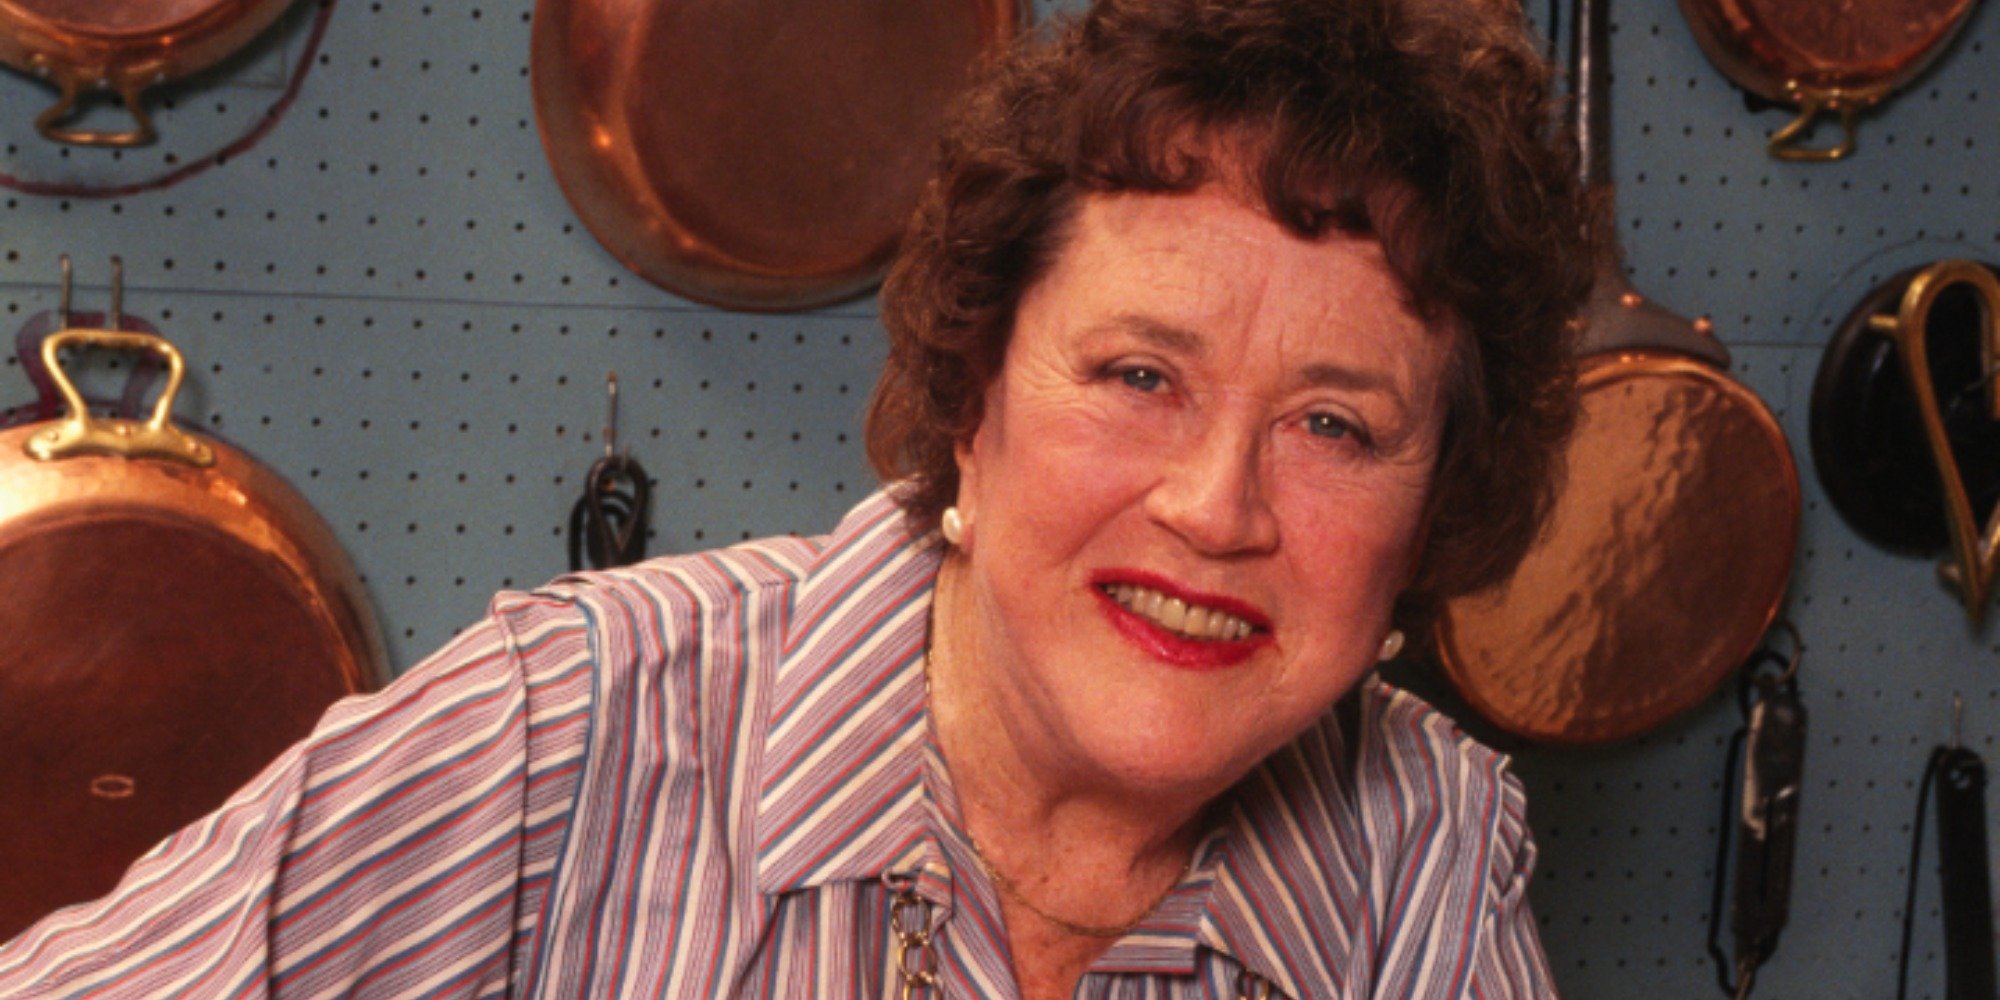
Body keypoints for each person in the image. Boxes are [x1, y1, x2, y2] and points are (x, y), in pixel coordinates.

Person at [0, 0, 1594, 995]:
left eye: (1335, 424)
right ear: (972, 396)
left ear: (1434, 502)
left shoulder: (1425, 848)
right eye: (1138, 376)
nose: (1215, 506)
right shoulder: (569, 736)